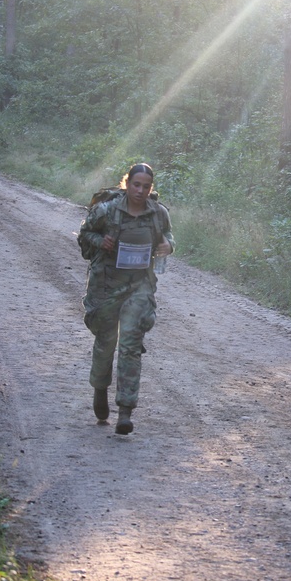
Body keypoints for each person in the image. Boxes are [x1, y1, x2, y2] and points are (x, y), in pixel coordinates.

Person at [77, 163, 175, 434]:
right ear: (127, 183)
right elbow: (85, 235)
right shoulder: (107, 211)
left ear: (150, 188)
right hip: (107, 285)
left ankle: (125, 411)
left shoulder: (158, 213)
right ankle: (99, 388)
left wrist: (169, 245)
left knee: (130, 343)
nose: (141, 191)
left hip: (139, 285)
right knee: (106, 341)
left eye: (146, 186)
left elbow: (167, 236)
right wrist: (100, 242)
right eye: (136, 185)